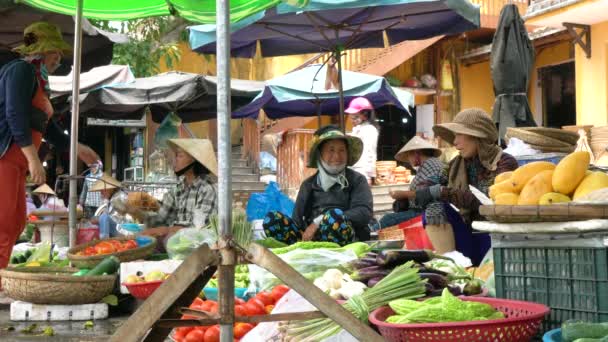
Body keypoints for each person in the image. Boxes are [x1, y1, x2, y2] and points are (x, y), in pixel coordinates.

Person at [0, 22, 97, 271]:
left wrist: (77, 146)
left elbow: (49, 128)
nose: (59, 57)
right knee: (4, 222)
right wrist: (33, 159)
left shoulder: (39, 80)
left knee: (16, 222)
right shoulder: (20, 71)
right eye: (56, 51)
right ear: (44, 50)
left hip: (16, 162)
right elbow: (14, 114)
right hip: (6, 157)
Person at [398, 108, 518, 263]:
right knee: (434, 207)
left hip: (496, 236)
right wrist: (410, 198)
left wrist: (440, 192)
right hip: (468, 234)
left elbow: (486, 200)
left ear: (477, 136)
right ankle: (451, 267)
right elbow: (431, 183)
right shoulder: (455, 164)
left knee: (438, 198)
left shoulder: (504, 162)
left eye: (460, 134)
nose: (455, 142)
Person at [263, 125, 373, 245]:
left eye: (342, 150)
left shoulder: (357, 180)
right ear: (320, 154)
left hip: (346, 240)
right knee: (272, 219)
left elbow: (364, 213)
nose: (337, 156)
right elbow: (297, 221)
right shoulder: (308, 185)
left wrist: (319, 221)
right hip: (311, 241)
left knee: (333, 216)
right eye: (331, 150)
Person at [377, 136, 453, 253]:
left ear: (416, 153)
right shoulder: (431, 165)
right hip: (425, 210)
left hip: (429, 212)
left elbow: (426, 192)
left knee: (387, 220)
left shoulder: (430, 164)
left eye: (409, 155)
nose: (409, 159)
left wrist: (402, 194)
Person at [135, 139, 218, 245]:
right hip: (176, 244)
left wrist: (166, 230)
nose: (175, 160)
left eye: (179, 156)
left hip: (198, 248)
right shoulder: (177, 188)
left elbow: (199, 229)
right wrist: (137, 213)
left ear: (193, 161)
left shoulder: (208, 189)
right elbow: (161, 219)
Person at [345, 97, 379, 185]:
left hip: (362, 172)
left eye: (355, 116)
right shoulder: (357, 129)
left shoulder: (369, 130)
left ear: (365, 115)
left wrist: (368, 176)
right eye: (351, 116)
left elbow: (369, 154)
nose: (352, 120)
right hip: (353, 170)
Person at [90, 174, 122, 239]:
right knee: (100, 217)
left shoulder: (118, 198)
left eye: (102, 191)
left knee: (104, 217)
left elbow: (116, 219)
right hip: (116, 228)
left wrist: (99, 219)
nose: (101, 193)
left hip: (122, 229)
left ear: (110, 189)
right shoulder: (111, 199)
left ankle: (104, 241)